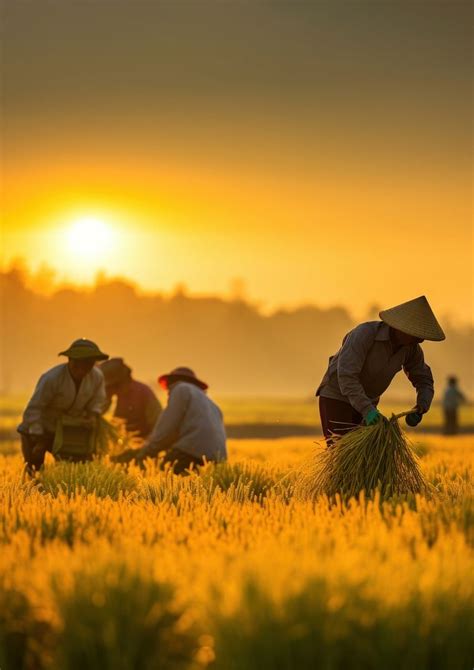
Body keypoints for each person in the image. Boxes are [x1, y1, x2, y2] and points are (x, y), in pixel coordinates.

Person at [316, 296, 445, 444]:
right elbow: (346, 376)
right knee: (340, 452)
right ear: (400, 328)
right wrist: (367, 410)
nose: (420, 340)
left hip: (367, 403)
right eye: (417, 335)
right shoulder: (364, 334)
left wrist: (421, 406)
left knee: (366, 457)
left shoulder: (411, 349)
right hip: (337, 397)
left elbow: (424, 379)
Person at [112, 366, 227, 473]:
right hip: (218, 460)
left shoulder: (181, 389)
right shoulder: (212, 404)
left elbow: (166, 428)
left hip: (190, 453)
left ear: (172, 382)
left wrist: (144, 453)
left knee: (158, 474)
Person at [18, 338, 109, 472]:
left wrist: (92, 415)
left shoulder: (97, 377)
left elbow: (98, 400)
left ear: (93, 364)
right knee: (35, 468)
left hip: (70, 428)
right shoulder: (52, 378)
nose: (82, 368)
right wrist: (38, 438)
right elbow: (35, 408)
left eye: (88, 364)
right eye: (78, 363)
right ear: (69, 361)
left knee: (75, 469)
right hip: (41, 427)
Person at [99, 358, 162, 438]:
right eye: (109, 387)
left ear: (126, 379)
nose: (112, 389)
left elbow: (158, 423)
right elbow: (97, 415)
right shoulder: (108, 395)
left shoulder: (143, 392)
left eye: (115, 385)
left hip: (142, 443)